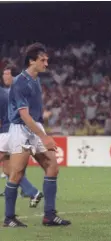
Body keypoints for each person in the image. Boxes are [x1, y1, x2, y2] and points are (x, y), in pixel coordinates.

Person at [4, 43, 71, 227]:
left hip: (34, 127)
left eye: (47, 59)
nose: (46, 63)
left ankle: (49, 215)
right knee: (16, 173)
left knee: (52, 166)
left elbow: (32, 114)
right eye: (43, 60)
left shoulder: (36, 79)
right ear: (31, 61)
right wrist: (44, 137)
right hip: (21, 129)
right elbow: (24, 115)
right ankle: (9, 218)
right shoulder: (20, 82)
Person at [0, 65, 43, 208]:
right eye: (4, 74)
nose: (5, 77)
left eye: (7, 75)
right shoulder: (11, 91)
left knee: (12, 168)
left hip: (7, 132)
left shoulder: (6, 92)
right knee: (8, 169)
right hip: (11, 131)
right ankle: (32, 192)